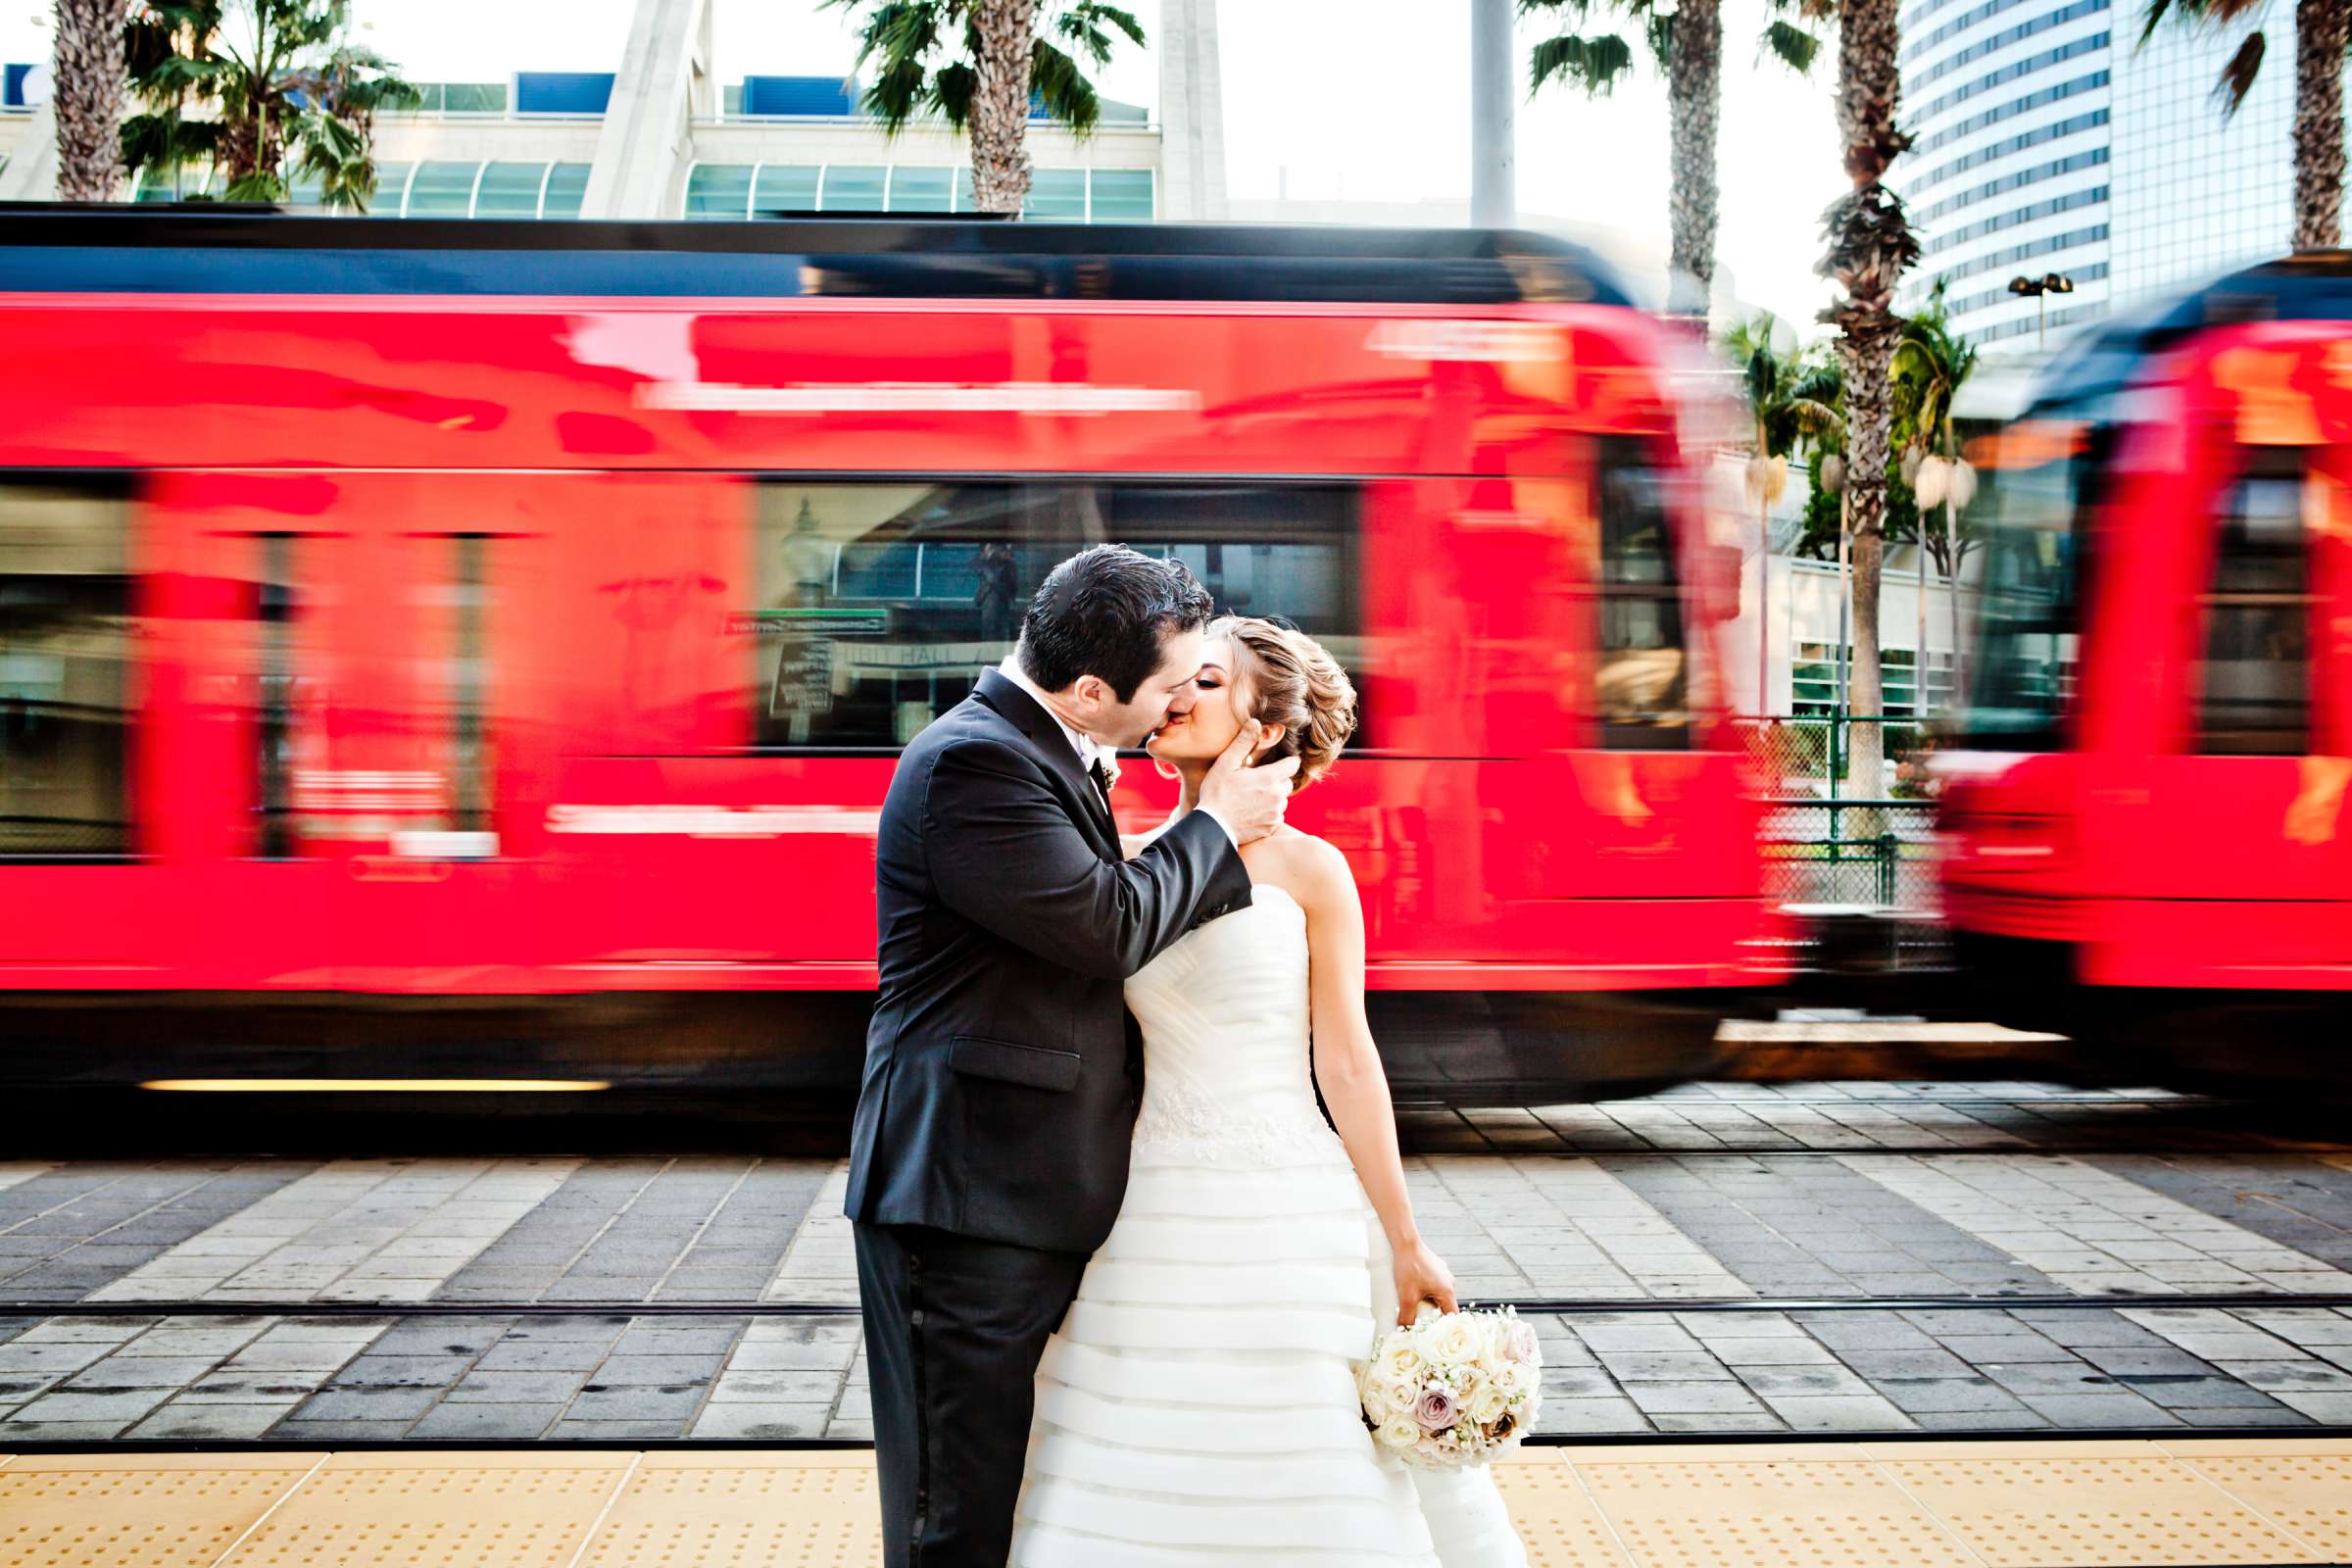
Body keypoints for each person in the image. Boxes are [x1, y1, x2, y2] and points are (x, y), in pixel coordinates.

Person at [1007, 615, 1527, 1567]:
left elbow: (1348, 1060)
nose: (1173, 696)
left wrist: (1406, 1238)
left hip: (1292, 1202)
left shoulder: (1313, 872)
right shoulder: (1128, 868)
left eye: (1205, 681)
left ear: (1266, 726)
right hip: (1148, 1205)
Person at [847, 545, 1297, 1567]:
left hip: (1013, 1193)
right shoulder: (977, 762)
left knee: (997, 1497)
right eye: (1171, 683)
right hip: (965, 1203)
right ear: (1091, 691)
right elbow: (1104, 929)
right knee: (950, 1518)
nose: (1180, 699)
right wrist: (1219, 825)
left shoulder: (1042, 750)